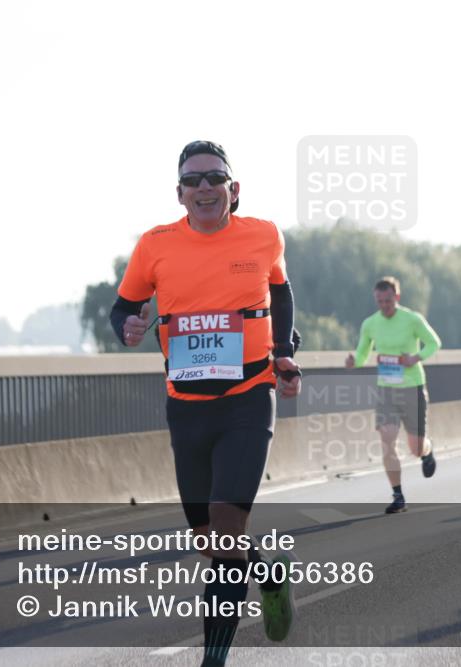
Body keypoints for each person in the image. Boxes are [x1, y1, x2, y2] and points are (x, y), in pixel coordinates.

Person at [110, 142, 301, 666]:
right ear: (179, 194)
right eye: (192, 182)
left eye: (214, 178)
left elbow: (280, 293)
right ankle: (267, 574)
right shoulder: (155, 245)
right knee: (209, 539)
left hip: (248, 398)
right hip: (186, 404)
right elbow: (124, 306)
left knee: (223, 525)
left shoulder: (263, 235)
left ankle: (212, 661)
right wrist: (125, 325)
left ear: (233, 190)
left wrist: (283, 353)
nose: (204, 189)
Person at [344, 277, 442, 514]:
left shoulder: (412, 319)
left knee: (415, 447)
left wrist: (415, 358)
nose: (384, 305)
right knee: (387, 439)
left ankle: (427, 452)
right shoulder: (370, 323)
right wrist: (353, 362)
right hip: (386, 388)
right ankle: (398, 495)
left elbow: (433, 343)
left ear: (396, 297)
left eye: (388, 300)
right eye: (380, 301)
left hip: (412, 386)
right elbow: (362, 353)